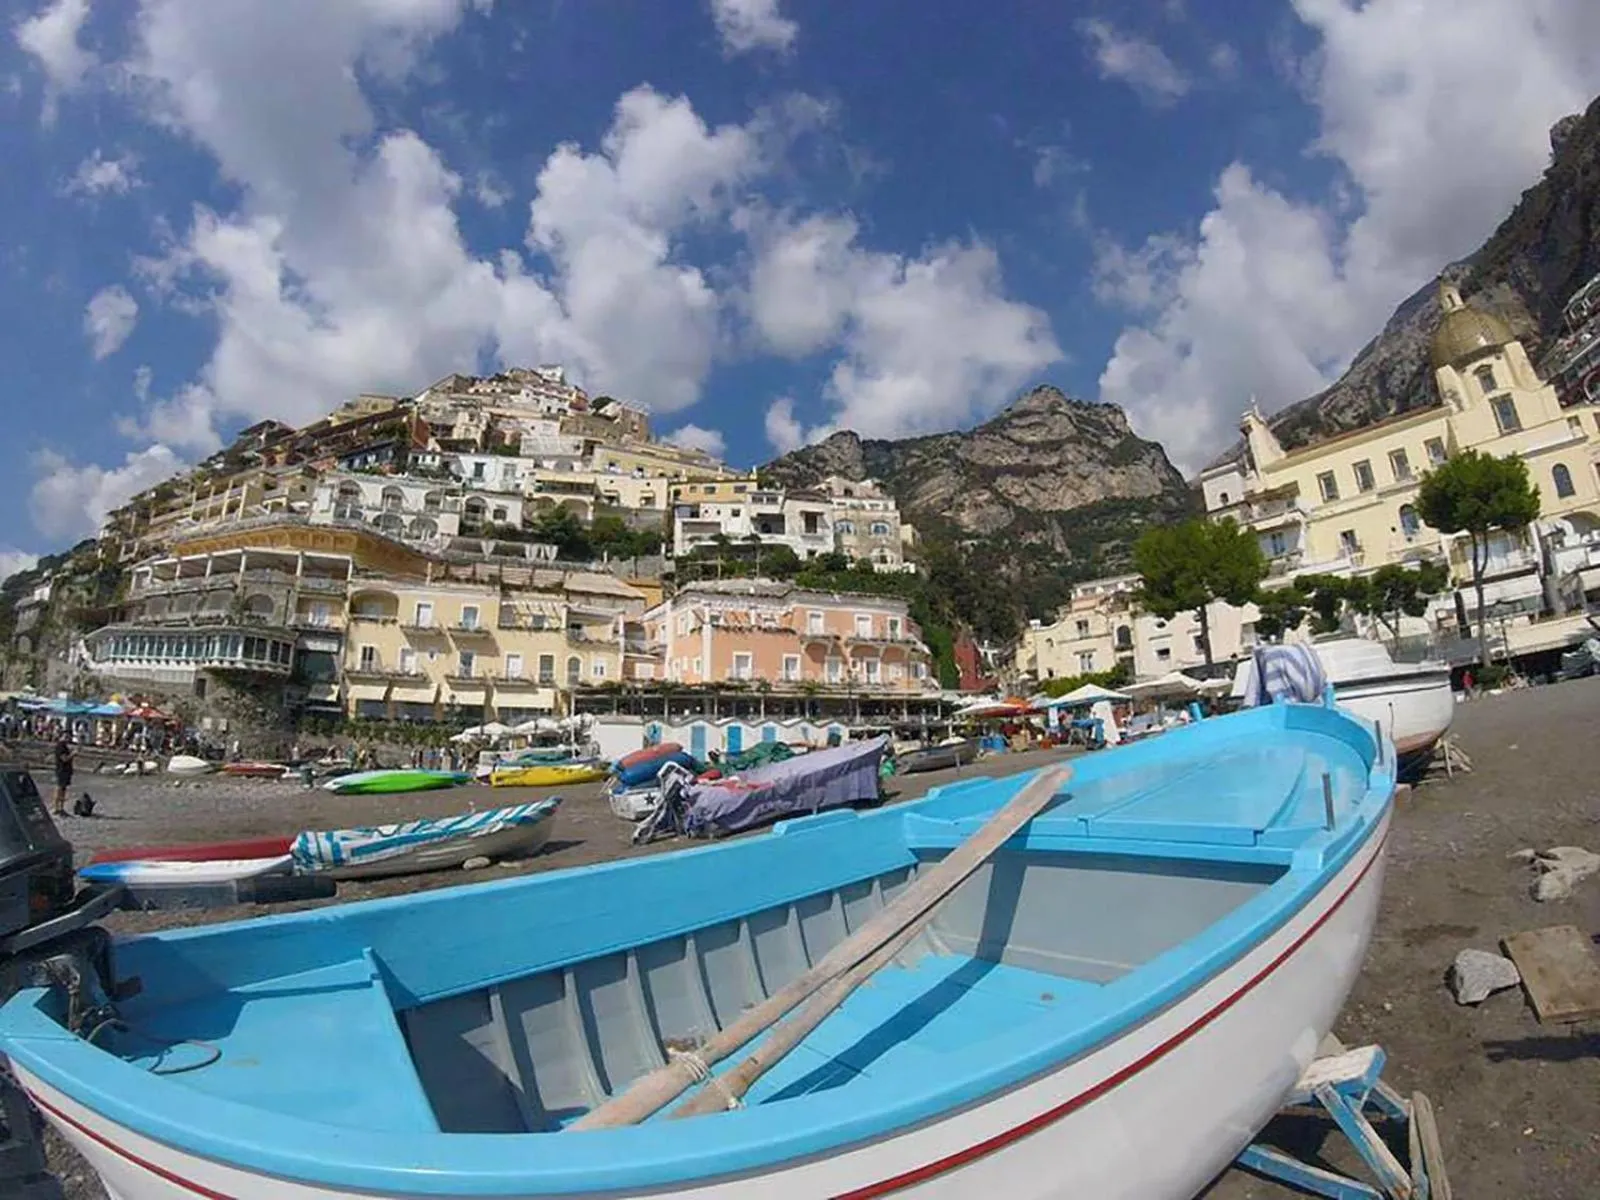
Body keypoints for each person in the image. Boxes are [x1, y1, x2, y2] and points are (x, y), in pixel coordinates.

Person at [52, 736, 74, 818]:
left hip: (66, 771)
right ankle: (56, 808)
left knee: (63, 789)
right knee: (59, 789)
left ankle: (61, 808)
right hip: (61, 771)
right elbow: (64, 759)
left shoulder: (64, 746)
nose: (68, 738)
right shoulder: (60, 746)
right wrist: (73, 754)